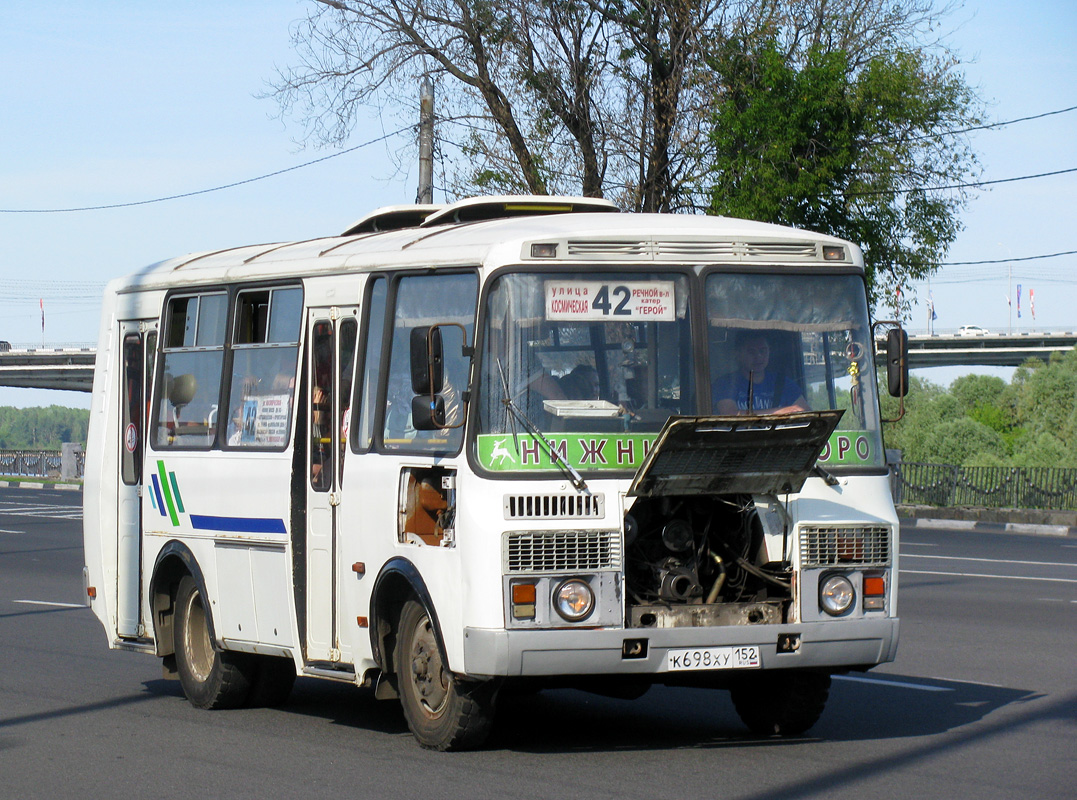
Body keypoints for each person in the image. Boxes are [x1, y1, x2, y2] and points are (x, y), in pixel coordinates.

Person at [713, 331, 808, 415]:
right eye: (751, 352)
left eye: (763, 350)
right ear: (738, 354)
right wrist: (781, 412)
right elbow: (730, 415)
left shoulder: (783, 383)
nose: (758, 356)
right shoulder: (725, 384)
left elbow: (806, 412)